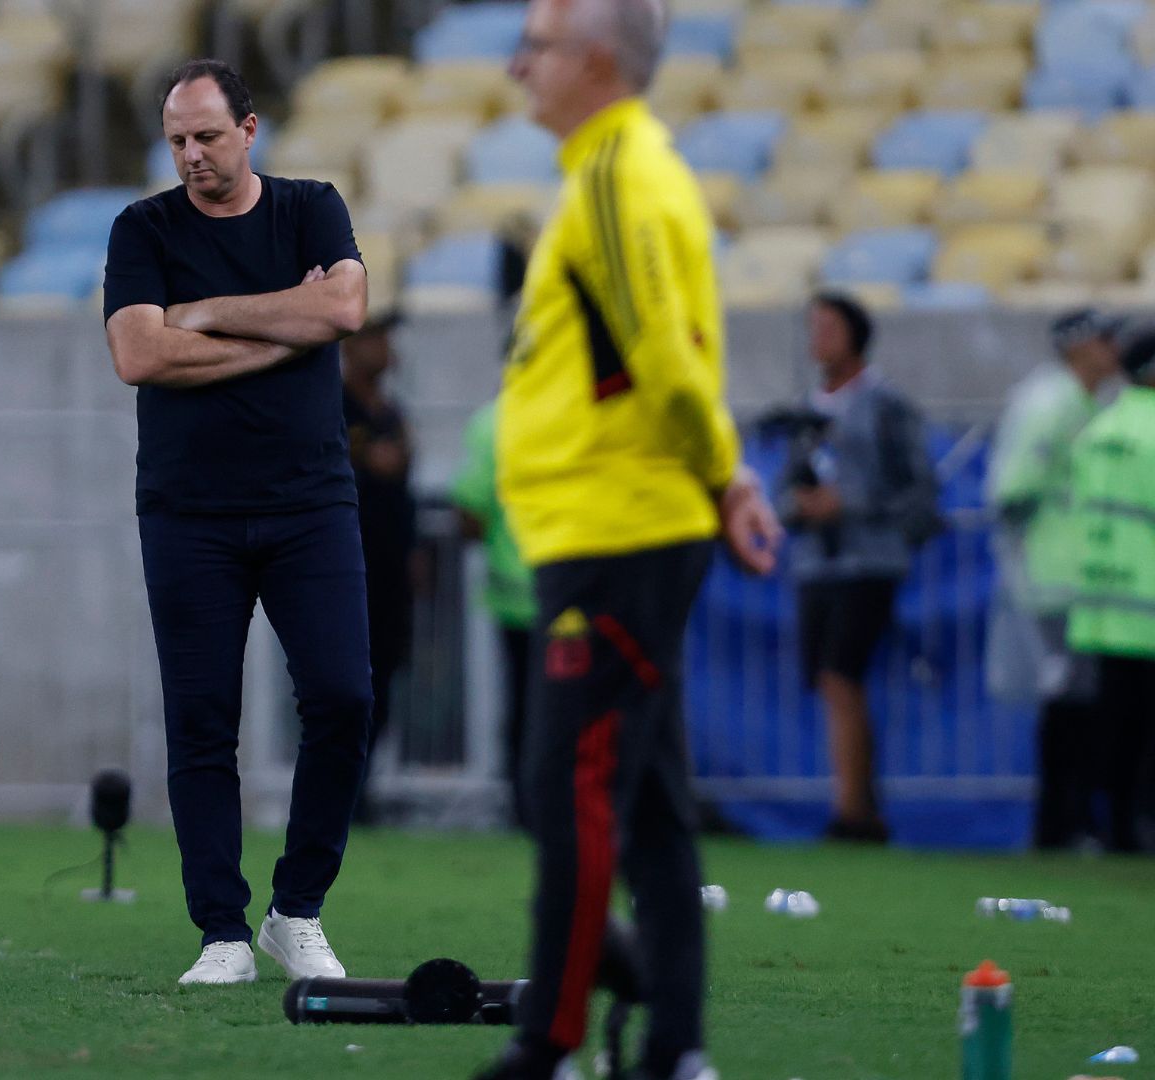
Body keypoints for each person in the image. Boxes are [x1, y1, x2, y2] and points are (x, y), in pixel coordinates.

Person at [473, 1, 781, 1076]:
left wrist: (727, 473)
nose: (519, 68)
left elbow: (663, 360)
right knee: (645, 799)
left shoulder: (616, 177)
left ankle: (550, 1043)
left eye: (539, 47)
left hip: (616, 533)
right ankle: (675, 1043)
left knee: (569, 787)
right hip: (613, 530)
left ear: (597, 61)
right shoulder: (622, 173)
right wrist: (725, 478)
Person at [102, 58, 371, 986]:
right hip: (189, 514)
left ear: (249, 130)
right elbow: (139, 354)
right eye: (177, 141)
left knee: (343, 697)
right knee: (203, 723)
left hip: (309, 503)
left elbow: (344, 305)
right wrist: (282, 332)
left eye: (208, 137)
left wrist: (209, 317)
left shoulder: (310, 208)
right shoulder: (142, 227)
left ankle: (295, 911)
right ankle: (221, 931)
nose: (191, 156)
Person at [779, 291, 939, 844]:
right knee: (830, 681)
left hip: (867, 562)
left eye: (829, 326)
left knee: (840, 675)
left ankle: (852, 810)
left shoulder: (887, 404)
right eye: (812, 326)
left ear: (856, 334)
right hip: (815, 564)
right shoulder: (804, 409)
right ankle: (859, 804)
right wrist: (799, 507)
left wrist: (853, 504)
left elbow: (922, 493)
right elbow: (784, 490)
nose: (818, 337)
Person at [986, 309, 1121, 849]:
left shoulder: (1078, 400)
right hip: (1057, 577)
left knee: (1077, 697)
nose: (1113, 349)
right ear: (1078, 346)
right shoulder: (1055, 402)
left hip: (1073, 575)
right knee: (1069, 698)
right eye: (1103, 338)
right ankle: (1061, 824)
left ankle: (1067, 821)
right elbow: (1013, 490)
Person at [1065, 323, 1155, 854]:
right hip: (1149, 606)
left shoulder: (1101, 428)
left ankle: (1114, 827)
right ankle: (1141, 828)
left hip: (1102, 603)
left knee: (1115, 725)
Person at [451, 395, 539, 832]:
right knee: (576, 711)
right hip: (578, 588)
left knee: (524, 705)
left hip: (515, 593)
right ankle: (562, 809)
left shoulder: (493, 422)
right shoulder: (579, 411)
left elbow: (469, 511)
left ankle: (525, 807)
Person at [341, 315, 416, 822]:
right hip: (345, 568)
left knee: (384, 674)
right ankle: (341, 789)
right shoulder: (333, 407)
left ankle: (361, 789)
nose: (387, 347)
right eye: (377, 336)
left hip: (388, 571)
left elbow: (402, 490)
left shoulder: (392, 413)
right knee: (345, 681)